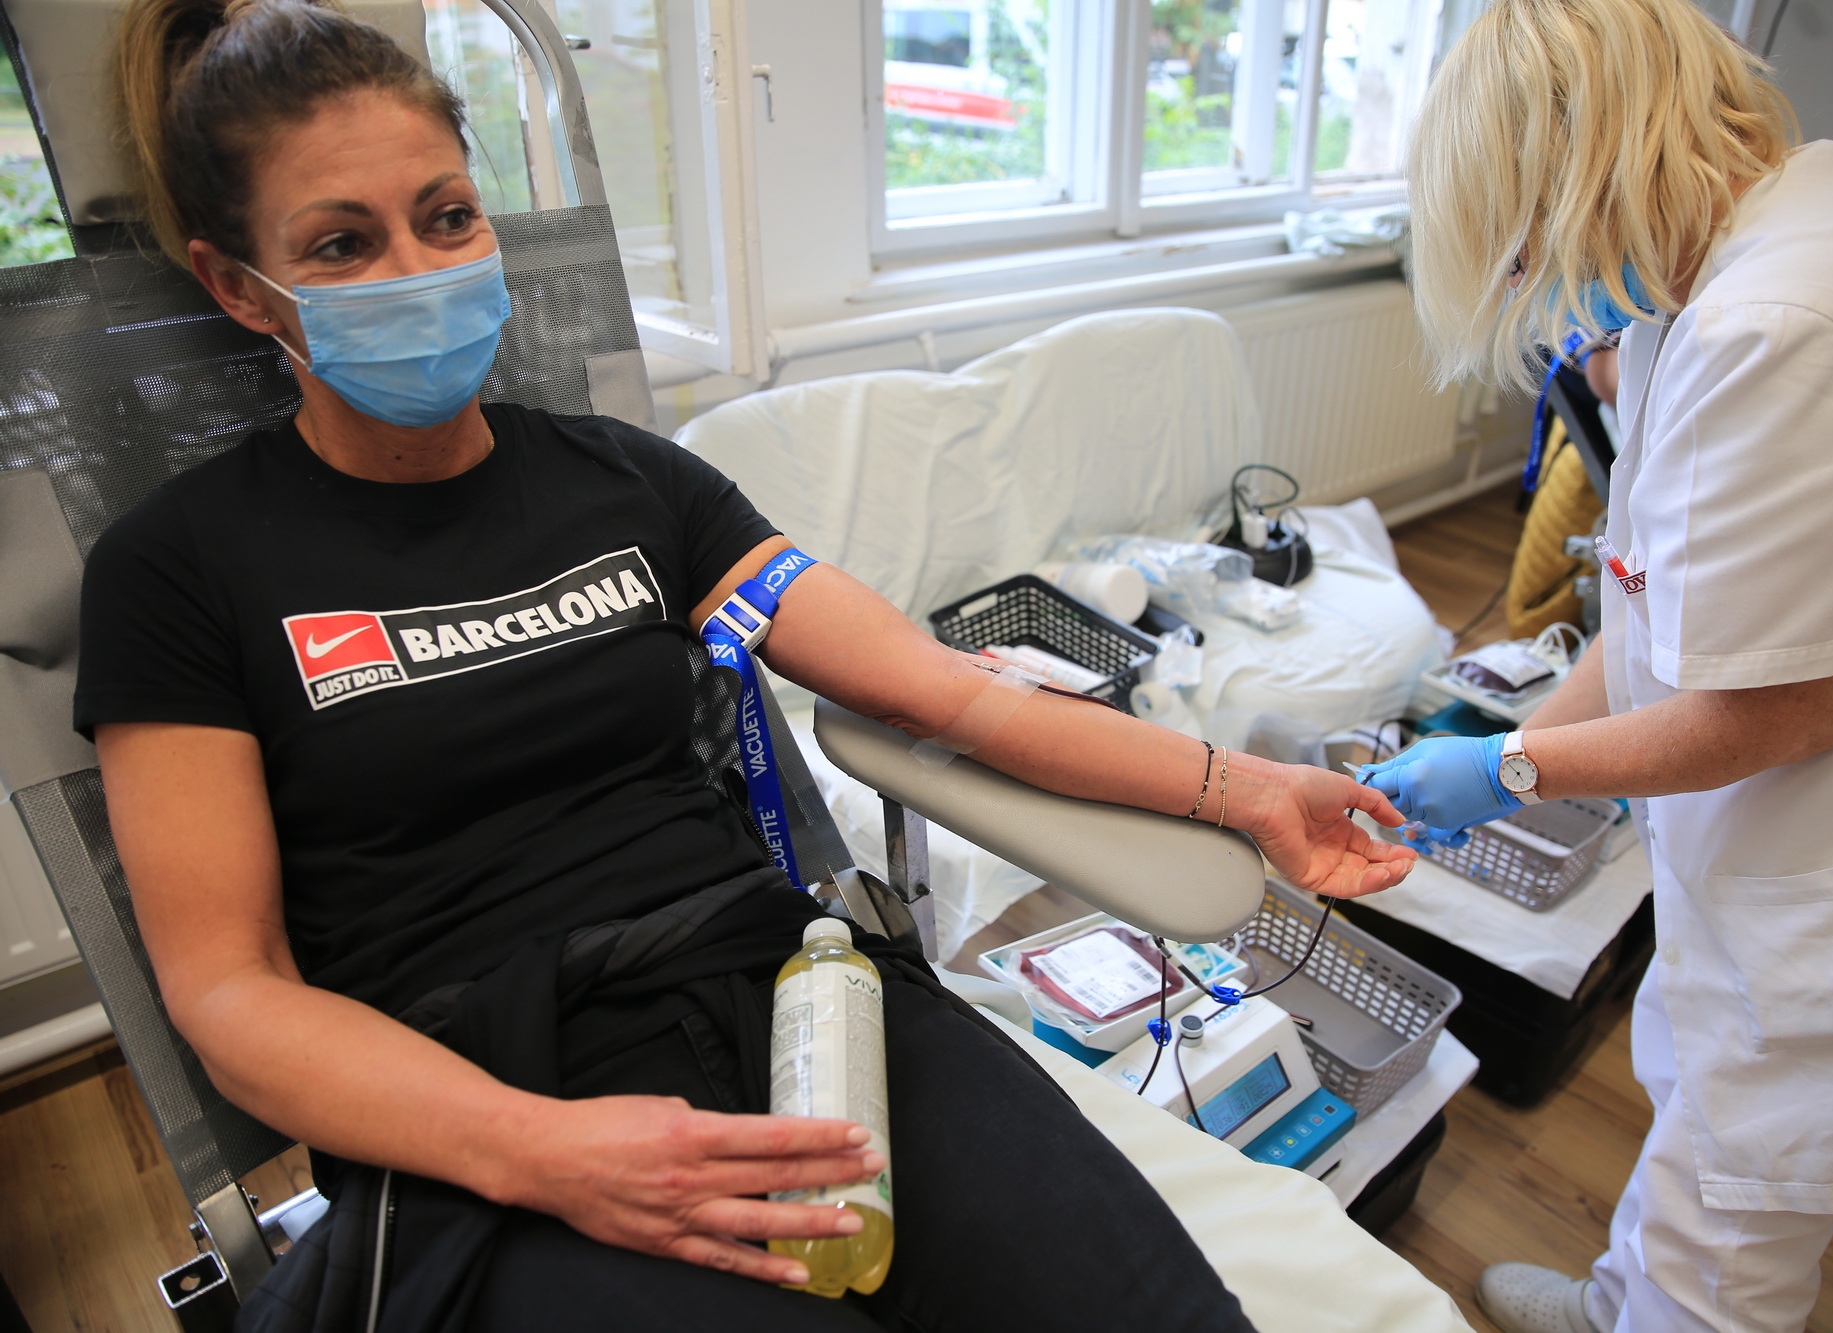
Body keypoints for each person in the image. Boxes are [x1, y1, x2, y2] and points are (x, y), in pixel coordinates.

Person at [80, 1, 1420, 1329]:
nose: (416, 271)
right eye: (342, 243)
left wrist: (1249, 789)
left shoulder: (636, 485)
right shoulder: (178, 569)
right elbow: (230, 987)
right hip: (485, 1098)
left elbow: (945, 691)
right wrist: (536, 1149)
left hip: (791, 1002)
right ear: (236, 284)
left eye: (447, 217)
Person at [1373, 1, 1833, 1331]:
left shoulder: (1783, 323)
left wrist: (1509, 769)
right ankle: (1619, 1301)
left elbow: (1785, 705)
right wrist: (1513, 738)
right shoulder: (1724, 287)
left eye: (1527, 241)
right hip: (1790, 843)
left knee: (1735, 1220)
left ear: (1583, 169)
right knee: (1703, 1115)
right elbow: (1654, 610)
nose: (1540, 279)